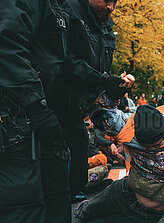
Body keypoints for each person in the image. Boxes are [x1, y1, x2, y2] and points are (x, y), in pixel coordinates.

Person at [0, 0, 75, 223]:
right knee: (21, 203)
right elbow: (6, 42)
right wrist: (36, 104)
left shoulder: (59, 6)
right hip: (15, 111)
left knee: (36, 199)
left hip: (28, 108)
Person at [48, 0, 134, 200]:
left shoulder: (106, 23)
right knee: (53, 168)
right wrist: (102, 80)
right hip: (57, 100)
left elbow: (101, 67)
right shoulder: (68, 9)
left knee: (77, 171)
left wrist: (114, 86)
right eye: (107, 1)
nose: (111, 7)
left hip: (80, 106)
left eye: (115, 2)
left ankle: (66, 201)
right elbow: (65, 58)